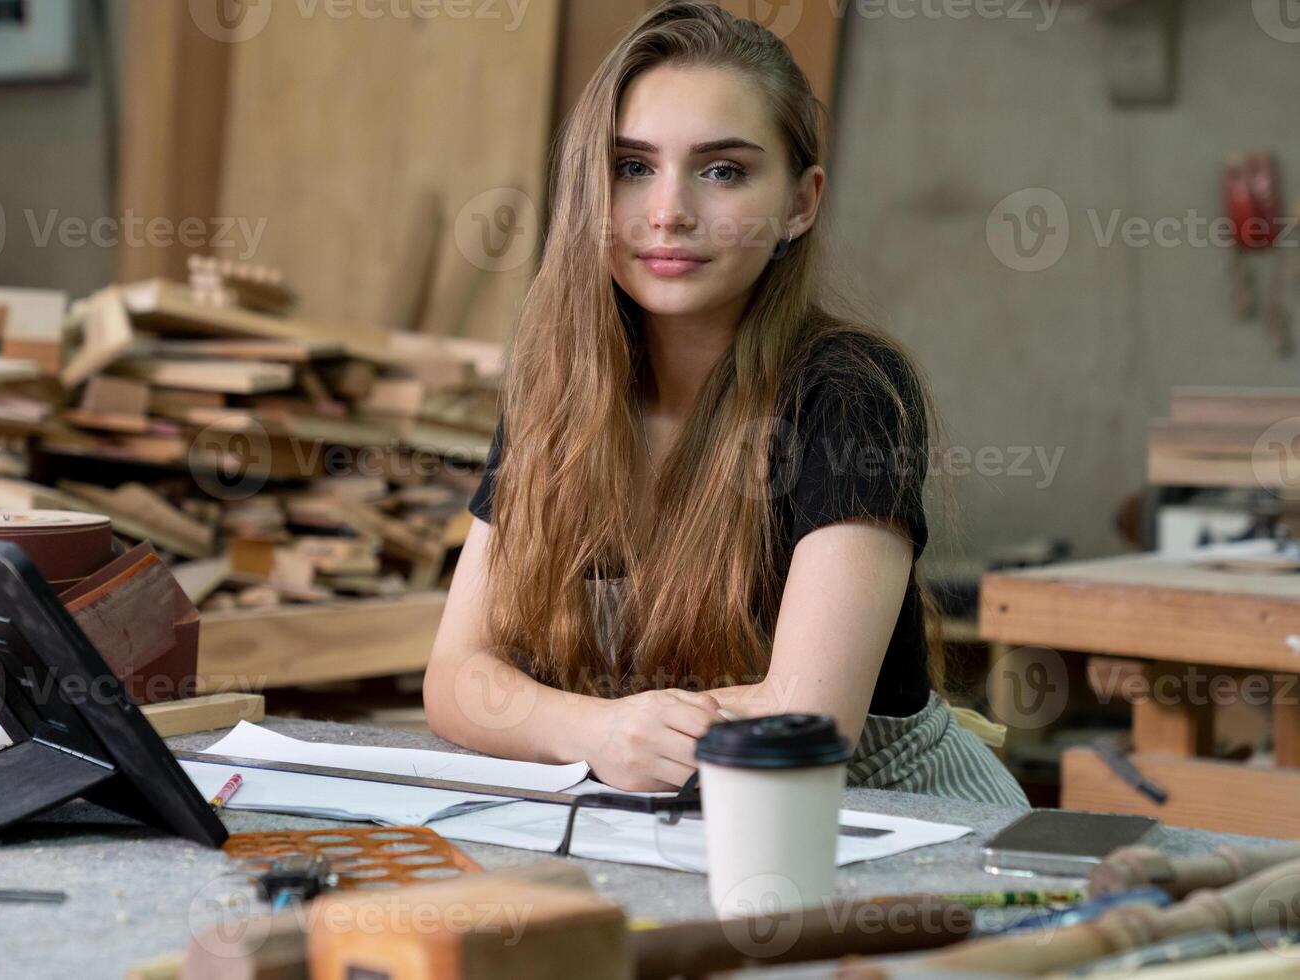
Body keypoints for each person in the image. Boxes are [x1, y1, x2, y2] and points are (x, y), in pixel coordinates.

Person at [423, 0, 1028, 808]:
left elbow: (809, 717)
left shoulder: (846, 391)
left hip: (888, 818)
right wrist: (594, 732)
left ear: (801, 203)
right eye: (632, 167)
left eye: (723, 171)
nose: (669, 211)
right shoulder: (559, 388)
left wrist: (581, 723)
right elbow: (456, 677)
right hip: (668, 811)